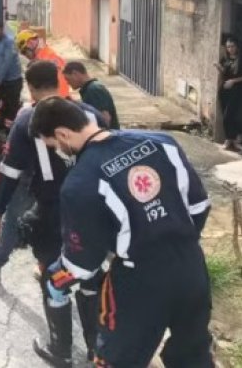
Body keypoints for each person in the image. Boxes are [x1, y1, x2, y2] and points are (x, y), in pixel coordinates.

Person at [30, 97, 213, 368]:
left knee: (118, 360)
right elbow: (199, 207)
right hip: (191, 268)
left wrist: (56, 277)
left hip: (138, 283)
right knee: (193, 356)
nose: (58, 151)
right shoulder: (163, 142)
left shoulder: (80, 183)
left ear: (63, 134)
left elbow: (82, 265)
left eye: (53, 145)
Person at [0, 61, 105, 365]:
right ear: (58, 80)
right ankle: (97, 349)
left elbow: (9, 171)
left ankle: (60, 350)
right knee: (91, 277)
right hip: (91, 212)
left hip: (51, 210)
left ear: (30, 88)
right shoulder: (89, 114)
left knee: (52, 275)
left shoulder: (27, 119)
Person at [215, 37, 242, 150]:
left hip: (236, 91)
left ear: (237, 46)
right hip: (224, 90)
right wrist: (219, 68)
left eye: (232, 46)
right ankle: (234, 136)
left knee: (229, 116)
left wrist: (233, 81)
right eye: (228, 47)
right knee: (226, 116)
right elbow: (224, 73)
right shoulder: (225, 58)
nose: (230, 49)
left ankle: (230, 138)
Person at [63, 60, 120, 129]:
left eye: (68, 79)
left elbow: (105, 118)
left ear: (75, 74)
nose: (68, 83)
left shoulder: (93, 90)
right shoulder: (89, 89)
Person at [15, 31, 70, 98]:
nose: (26, 55)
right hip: (59, 99)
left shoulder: (43, 60)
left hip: (53, 100)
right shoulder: (47, 54)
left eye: (24, 51)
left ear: (30, 44)